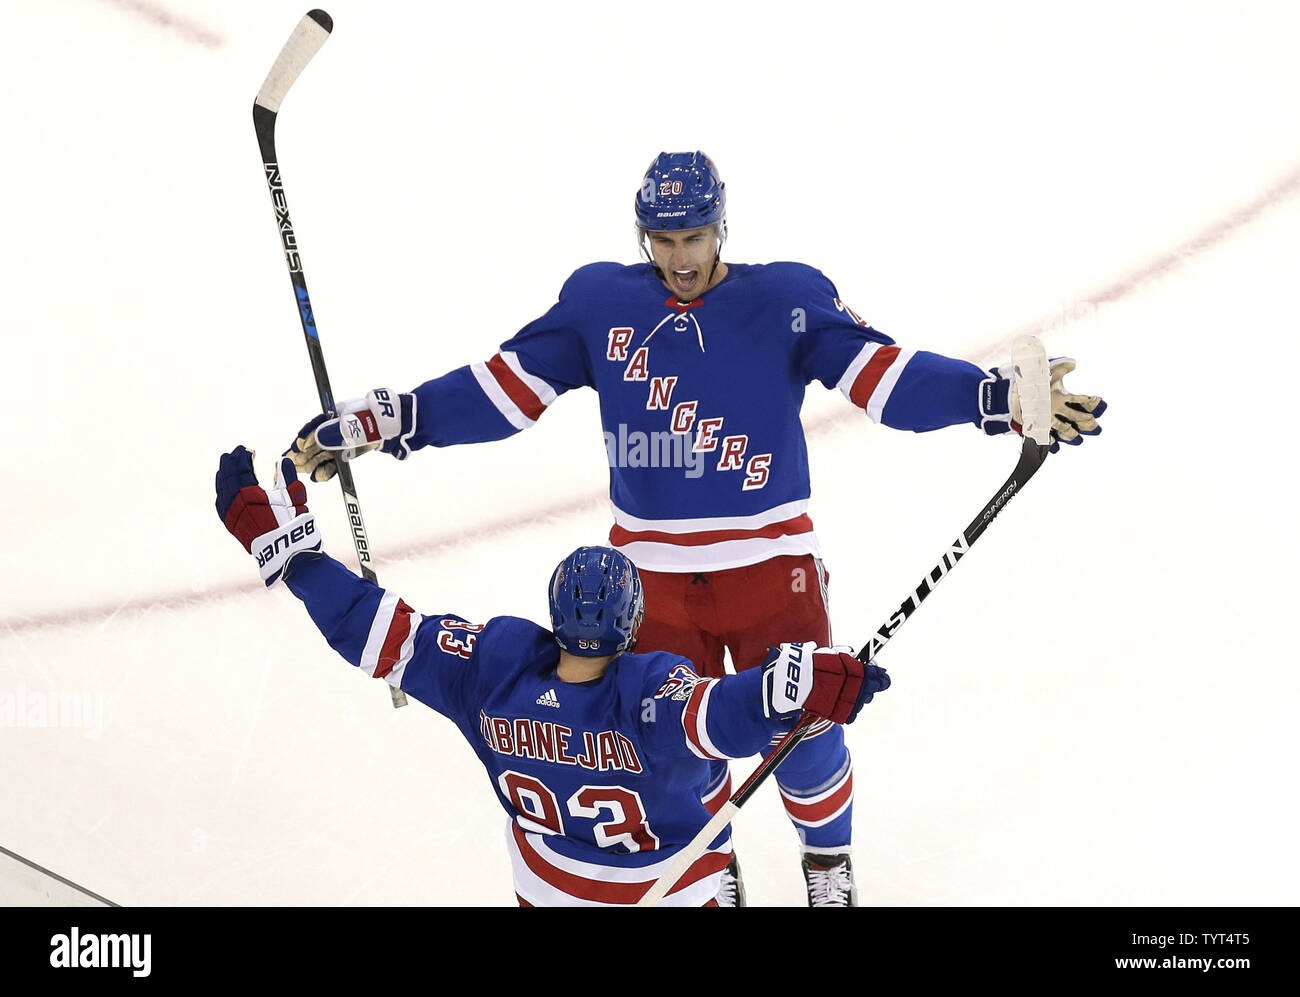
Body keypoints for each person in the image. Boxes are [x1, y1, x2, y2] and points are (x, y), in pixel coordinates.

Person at [283, 151, 1105, 905]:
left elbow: (883, 377)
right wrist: (395, 419)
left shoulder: (784, 296)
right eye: (665, 238)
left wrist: (990, 400)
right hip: (648, 585)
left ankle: (827, 866)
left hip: (769, 569)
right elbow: (503, 390)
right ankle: (712, 860)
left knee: (805, 727)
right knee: (668, 744)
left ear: (723, 226)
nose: (681, 257)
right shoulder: (598, 304)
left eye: (696, 236)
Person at [214, 446, 890, 906]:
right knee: (701, 780)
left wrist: (298, 560)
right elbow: (726, 714)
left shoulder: (492, 670)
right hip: (672, 891)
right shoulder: (650, 696)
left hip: (548, 894)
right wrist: (795, 684)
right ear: (632, 626)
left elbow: (379, 632)